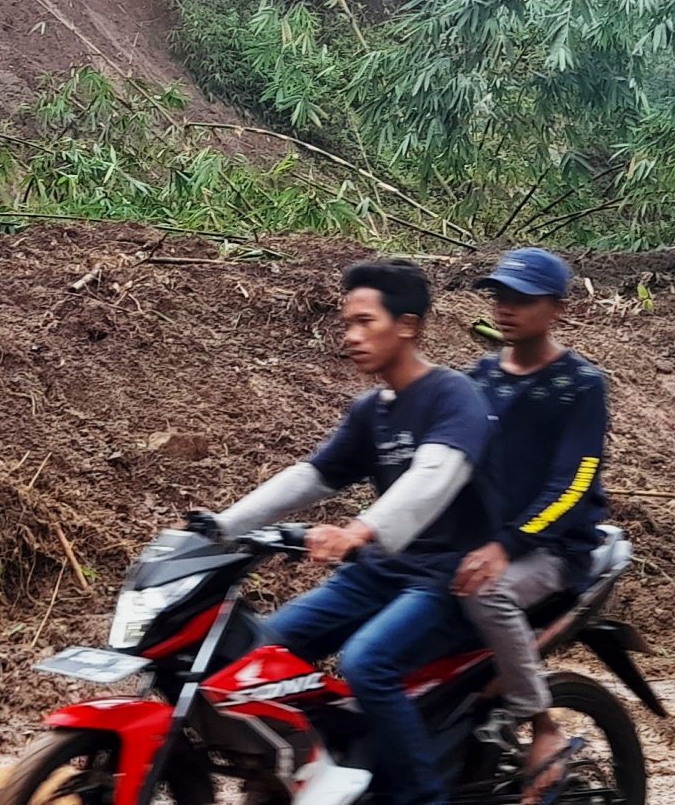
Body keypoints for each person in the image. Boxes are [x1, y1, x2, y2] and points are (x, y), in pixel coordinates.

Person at [202, 258, 490, 805]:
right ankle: (322, 772)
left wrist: (360, 530)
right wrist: (223, 525)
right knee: (260, 653)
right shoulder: (371, 411)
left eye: (365, 322)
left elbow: (435, 475)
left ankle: (421, 796)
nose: (351, 337)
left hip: (444, 582)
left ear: (406, 326)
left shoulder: (454, 396)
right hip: (380, 574)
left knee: (367, 663)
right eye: (347, 323)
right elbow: (312, 476)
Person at [452, 248, 611, 805]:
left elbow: (575, 483)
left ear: (557, 310)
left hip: (556, 548)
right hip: (488, 541)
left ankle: (540, 722)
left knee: (487, 595)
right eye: (500, 297)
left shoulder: (581, 385)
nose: (506, 308)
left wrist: (508, 543)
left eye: (522, 299)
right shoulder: (481, 377)